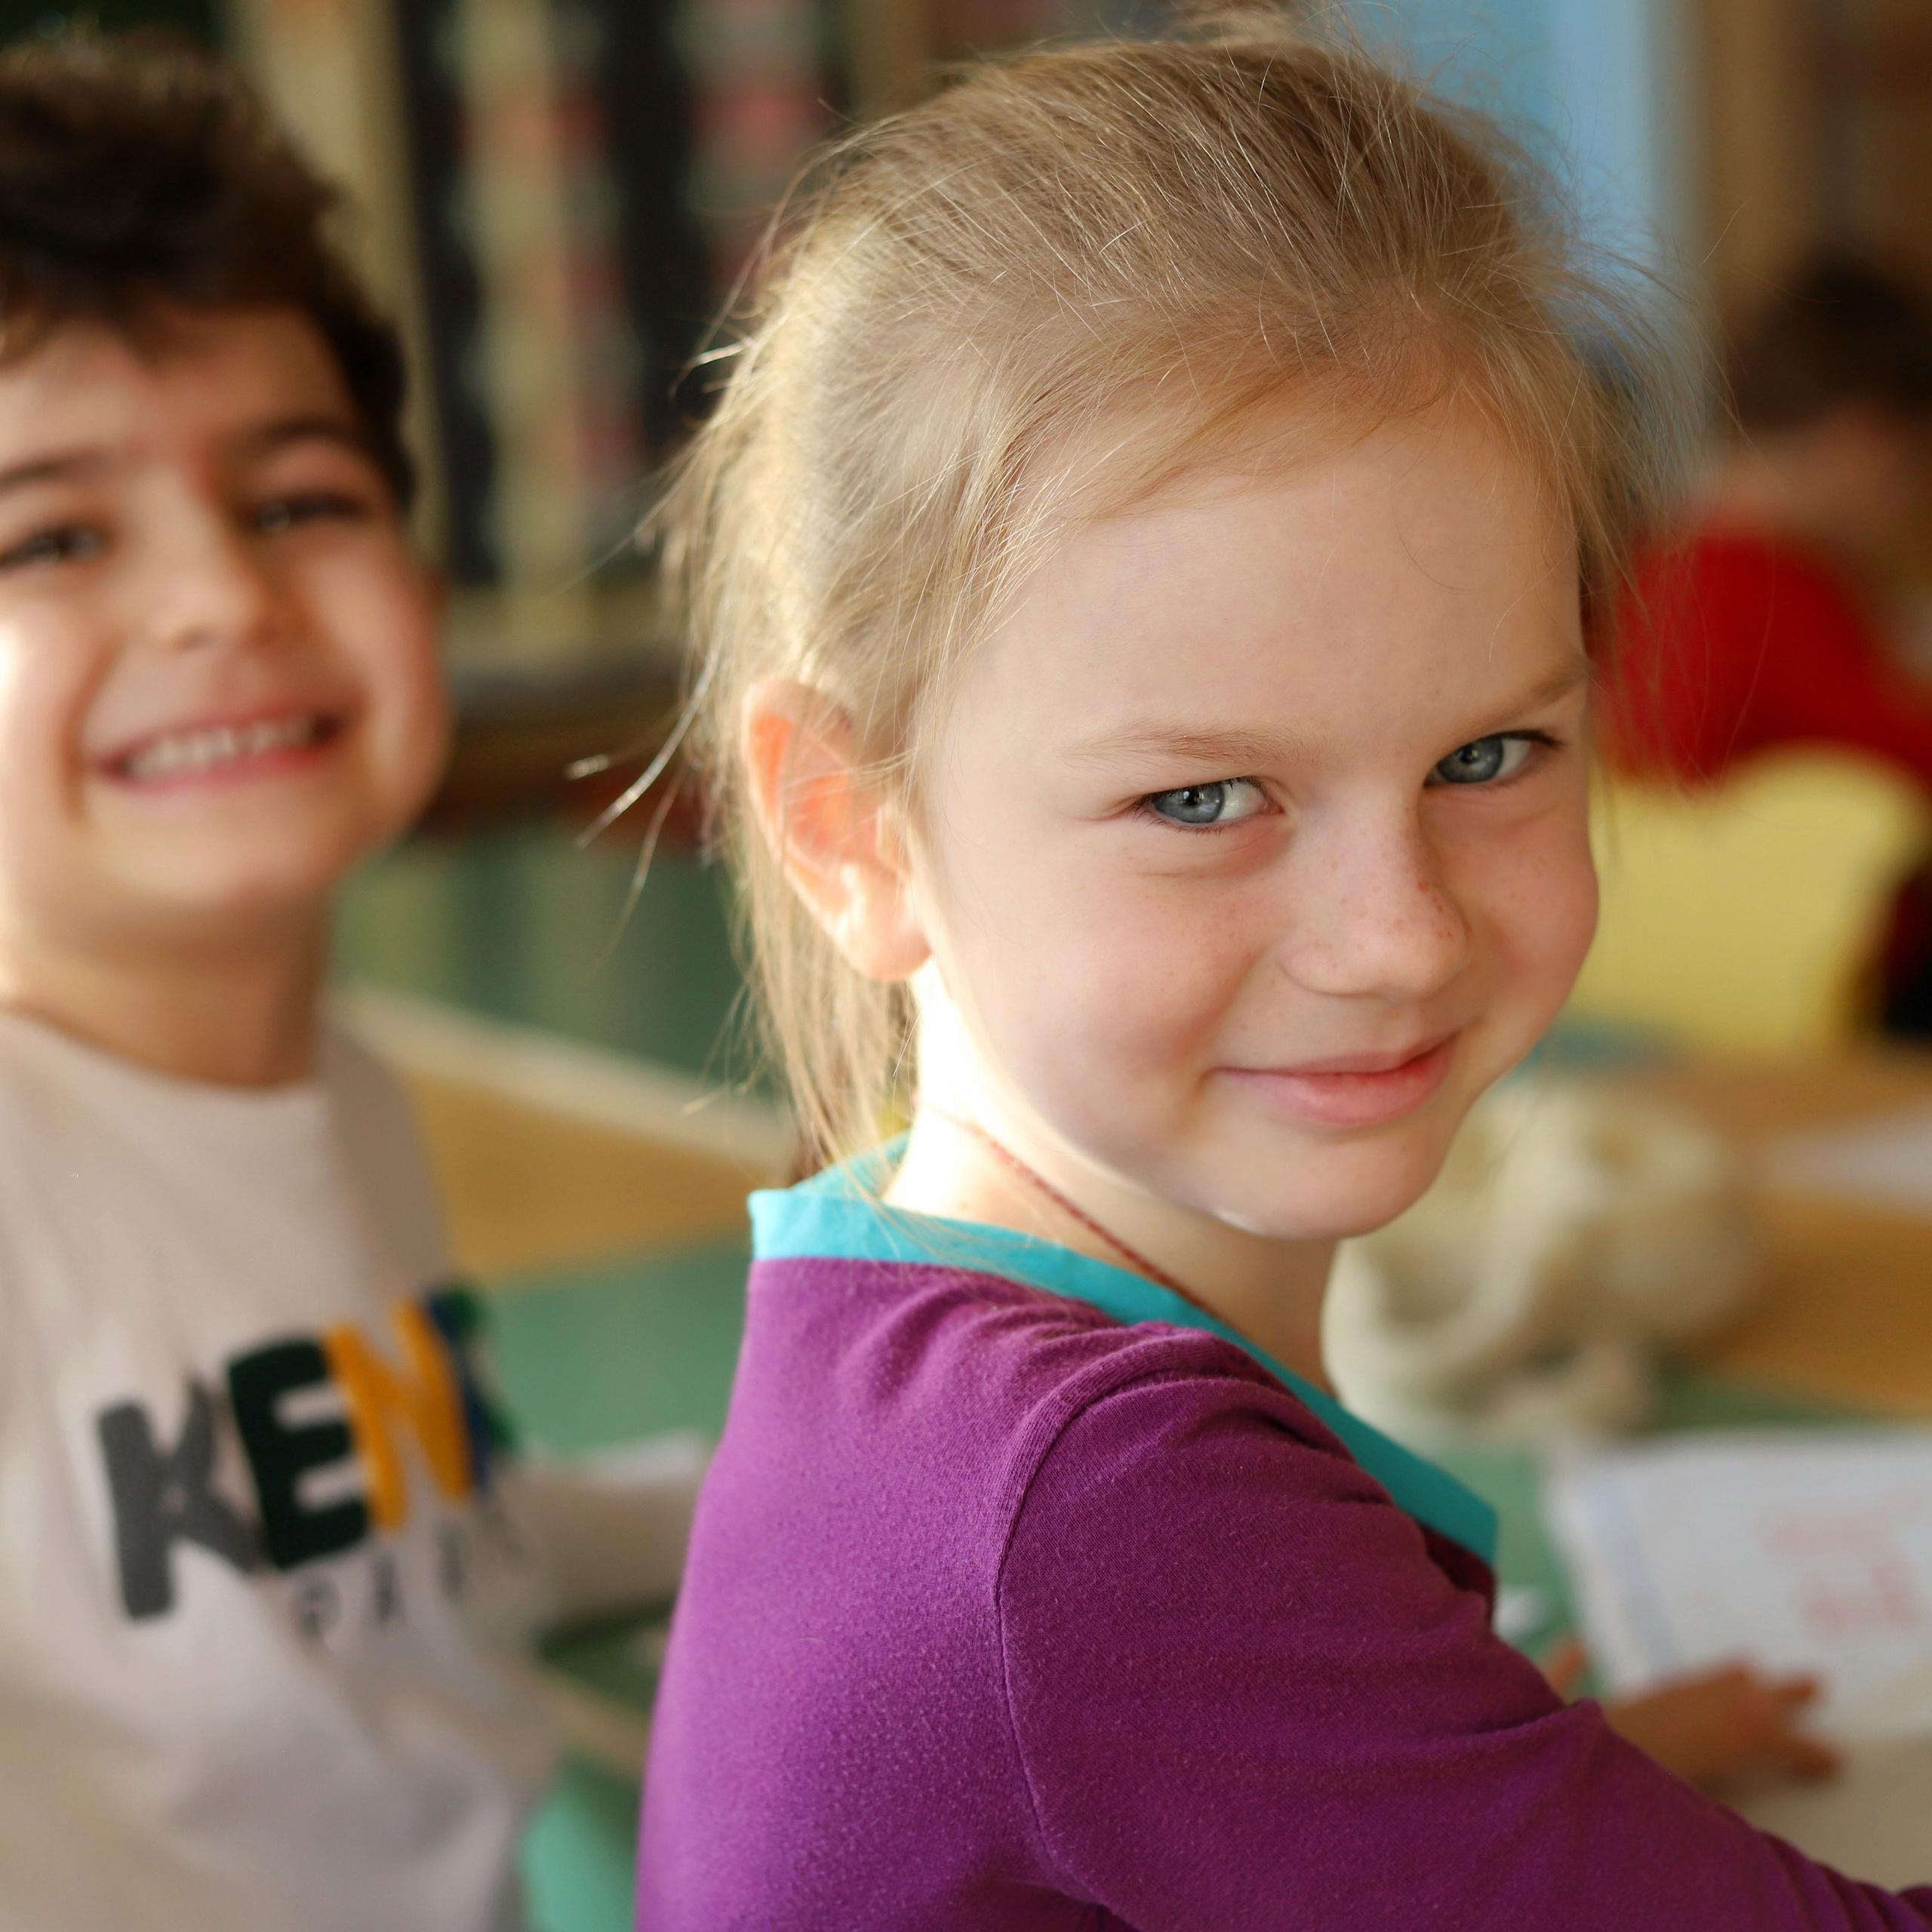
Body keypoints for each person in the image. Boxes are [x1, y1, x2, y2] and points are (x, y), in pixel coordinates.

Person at [635, 18, 1932, 1927]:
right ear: (850, 828)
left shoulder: (895, 1306)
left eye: (1486, 756)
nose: (1396, 932)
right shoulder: (1099, 1513)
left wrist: (1514, 1787)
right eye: (1203, 795)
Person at [0, 35, 697, 1932]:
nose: (218, 595)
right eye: (52, 533)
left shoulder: (336, 1091)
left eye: (298, 496)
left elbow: (419, 1538)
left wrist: (817, 1483)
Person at [1601, 251, 1932, 786]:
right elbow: (1905, 760)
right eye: (1914, 468)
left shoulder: (1654, 563)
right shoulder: (1774, 585)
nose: (1912, 506)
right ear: (1863, 444)